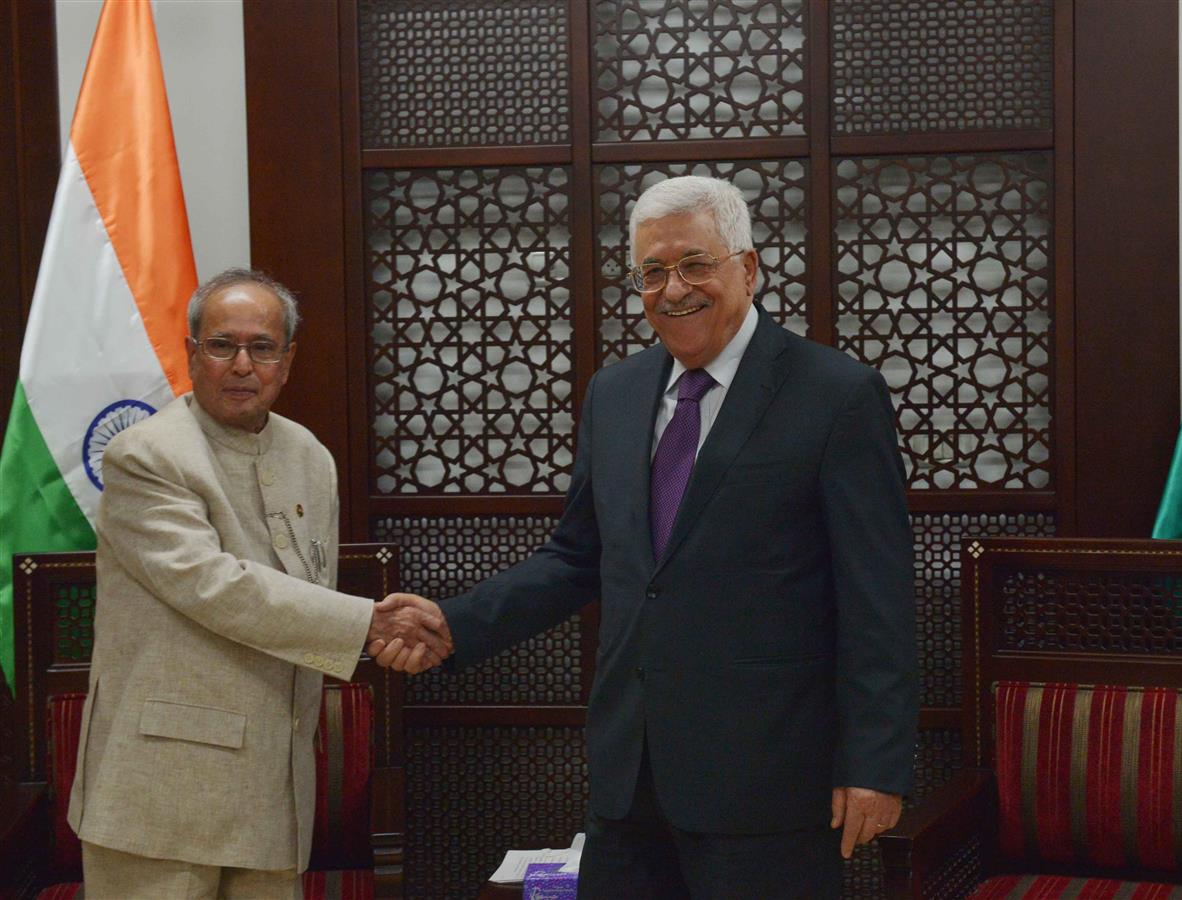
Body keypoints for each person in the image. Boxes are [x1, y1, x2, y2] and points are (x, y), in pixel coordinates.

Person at [376, 176, 917, 898]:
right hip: (630, 783)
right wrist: (456, 621)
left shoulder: (836, 394)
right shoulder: (617, 393)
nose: (673, 289)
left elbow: (876, 594)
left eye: (695, 264)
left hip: (770, 786)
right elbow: (577, 556)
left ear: (747, 269)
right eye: (652, 272)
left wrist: (875, 765)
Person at [68, 268, 451, 899]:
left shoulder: (309, 456)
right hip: (159, 796)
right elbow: (216, 586)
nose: (242, 364)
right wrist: (371, 623)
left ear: (288, 360)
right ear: (192, 354)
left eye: (262, 347)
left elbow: (305, 601)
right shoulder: (145, 454)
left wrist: (375, 629)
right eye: (222, 345)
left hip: (276, 791)